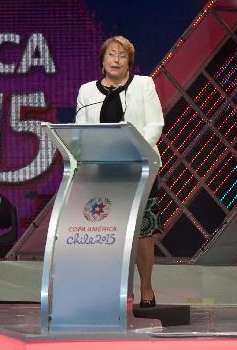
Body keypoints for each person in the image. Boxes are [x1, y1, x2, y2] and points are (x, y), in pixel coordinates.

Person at [75, 35, 164, 308]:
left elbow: (155, 125)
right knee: (104, 230)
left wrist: (131, 150)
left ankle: (146, 288)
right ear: (102, 60)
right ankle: (107, 291)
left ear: (130, 63)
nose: (116, 60)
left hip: (139, 167)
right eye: (111, 55)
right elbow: (80, 131)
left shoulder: (143, 85)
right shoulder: (87, 92)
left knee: (142, 233)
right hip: (102, 171)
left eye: (122, 56)